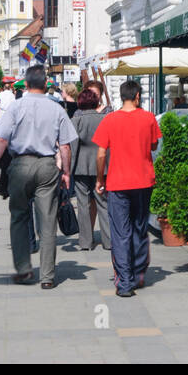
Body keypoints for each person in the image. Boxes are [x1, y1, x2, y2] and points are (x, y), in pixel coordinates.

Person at [0, 65, 77, 288]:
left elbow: (2, 141)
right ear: (46, 84)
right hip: (47, 166)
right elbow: (65, 146)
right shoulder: (57, 109)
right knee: (47, 222)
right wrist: (66, 172)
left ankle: (25, 270)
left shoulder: (16, 107)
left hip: (20, 165)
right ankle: (47, 277)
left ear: (25, 85)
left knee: (18, 217)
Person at [93, 79, 161, 298]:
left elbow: (101, 153)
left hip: (118, 182)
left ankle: (124, 282)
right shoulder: (148, 118)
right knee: (140, 228)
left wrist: (99, 178)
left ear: (122, 96)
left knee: (120, 233)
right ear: (138, 96)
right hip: (143, 181)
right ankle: (139, 272)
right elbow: (154, 145)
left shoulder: (110, 119)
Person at [71, 86, 111, 251]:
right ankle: (109, 241)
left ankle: (85, 242)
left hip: (81, 166)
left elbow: (72, 147)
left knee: (83, 205)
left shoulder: (76, 121)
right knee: (103, 204)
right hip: (102, 166)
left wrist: (68, 170)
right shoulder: (105, 119)